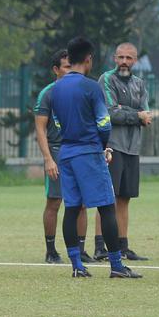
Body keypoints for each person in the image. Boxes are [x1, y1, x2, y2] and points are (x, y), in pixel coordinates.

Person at [45, 37, 141, 279]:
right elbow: (104, 121)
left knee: (72, 208)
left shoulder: (55, 88)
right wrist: (103, 146)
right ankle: (117, 266)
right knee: (107, 207)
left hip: (66, 152)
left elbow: (56, 122)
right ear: (88, 59)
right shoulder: (91, 87)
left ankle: (77, 265)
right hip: (88, 152)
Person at [35, 49, 90, 264]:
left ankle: (82, 250)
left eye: (72, 66)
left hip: (80, 150)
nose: (70, 71)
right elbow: (40, 128)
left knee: (83, 203)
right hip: (58, 151)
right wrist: (48, 158)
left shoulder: (84, 90)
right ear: (56, 70)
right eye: (66, 67)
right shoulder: (48, 93)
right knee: (55, 202)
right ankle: (51, 250)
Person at [98, 42, 152, 261]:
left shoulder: (139, 83)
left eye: (129, 58)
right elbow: (110, 113)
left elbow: (145, 113)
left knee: (125, 198)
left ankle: (122, 245)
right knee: (107, 198)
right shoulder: (106, 79)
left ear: (135, 60)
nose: (124, 62)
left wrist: (131, 113)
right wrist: (136, 116)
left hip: (132, 148)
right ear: (114, 58)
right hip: (113, 146)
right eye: (121, 57)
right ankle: (101, 246)